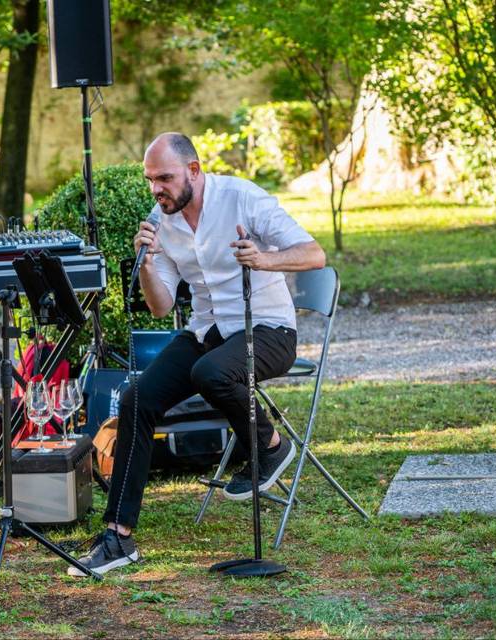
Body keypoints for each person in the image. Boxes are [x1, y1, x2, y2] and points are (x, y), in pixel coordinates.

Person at [70, 132, 326, 577]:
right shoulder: (161, 222)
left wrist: (263, 259)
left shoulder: (242, 197)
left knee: (211, 373)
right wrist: (146, 263)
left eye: (165, 178)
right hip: (207, 331)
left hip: (266, 328)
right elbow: (161, 305)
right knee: (136, 400)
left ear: (194, 170)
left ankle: (270, 446)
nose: (157, 189)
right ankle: (119, 537)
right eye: (151, 180)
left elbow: (314, 254)